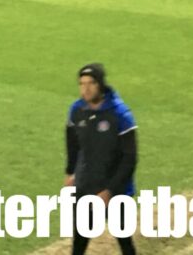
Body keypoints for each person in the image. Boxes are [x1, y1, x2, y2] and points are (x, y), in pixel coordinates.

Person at [64, 63, 138, 255]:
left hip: (116, 191)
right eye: (82, 84)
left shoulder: (120, 114)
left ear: (101, 85)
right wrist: (70, 173)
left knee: (124, 240)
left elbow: (130, 158)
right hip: (86, 186)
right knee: (80, 238)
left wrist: (110, 190)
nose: (85, 89)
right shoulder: (76, 110)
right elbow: (73, 145)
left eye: (91, 84)